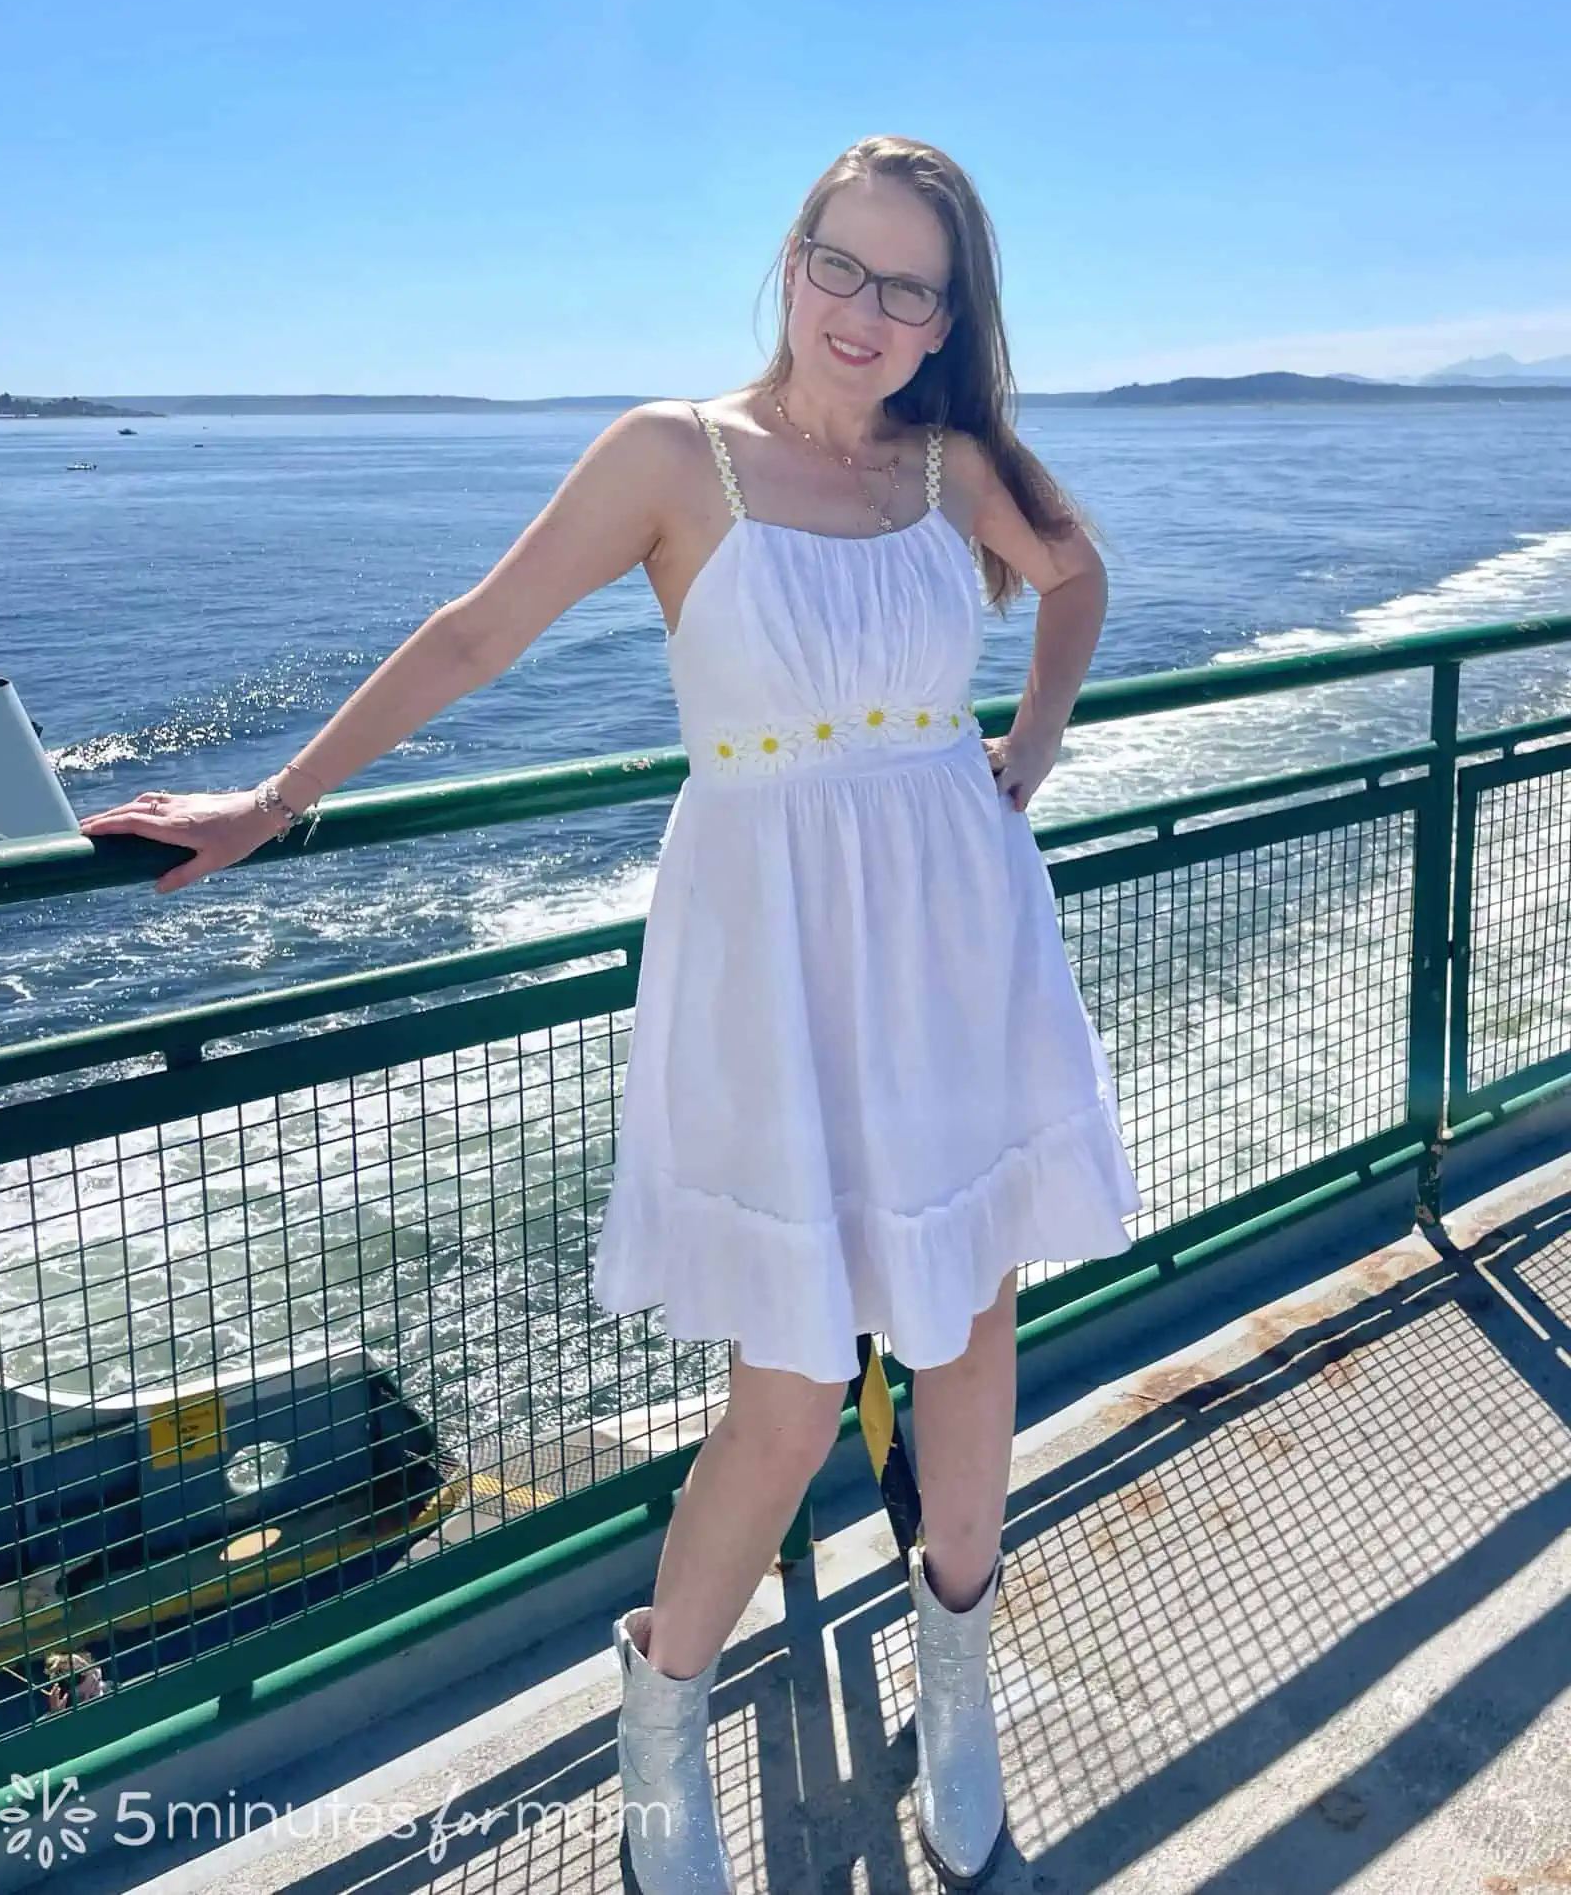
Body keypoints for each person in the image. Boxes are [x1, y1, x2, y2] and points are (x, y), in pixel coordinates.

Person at [78, 135, 1141, 1893]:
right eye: (841, 266)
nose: (866, 313)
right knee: (792, 1389)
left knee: (968, 1333)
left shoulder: (953, 468)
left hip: (958, 928)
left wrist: (1033, 744)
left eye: (910, 287)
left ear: (952, 317)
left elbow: (1081, 579)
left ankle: (958, 1666)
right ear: (790, 258)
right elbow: (476, 637)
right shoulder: (677, 457)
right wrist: (269, 806)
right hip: (774, 945)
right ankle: (664, 1710)